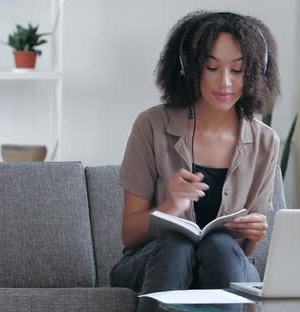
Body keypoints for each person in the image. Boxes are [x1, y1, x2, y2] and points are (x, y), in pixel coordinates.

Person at [110, 10, 281, 311]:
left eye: (238, 70)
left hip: (224, 260)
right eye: (212, 67)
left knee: (221, 247)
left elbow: (243, 252)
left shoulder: (265, 142)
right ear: (189, 69)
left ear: (254, 73)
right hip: (153, 262)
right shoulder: (151, 125)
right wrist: (170, 207)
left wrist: (253, 234)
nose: (225, 82)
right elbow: (130, 233)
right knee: (176, 248)